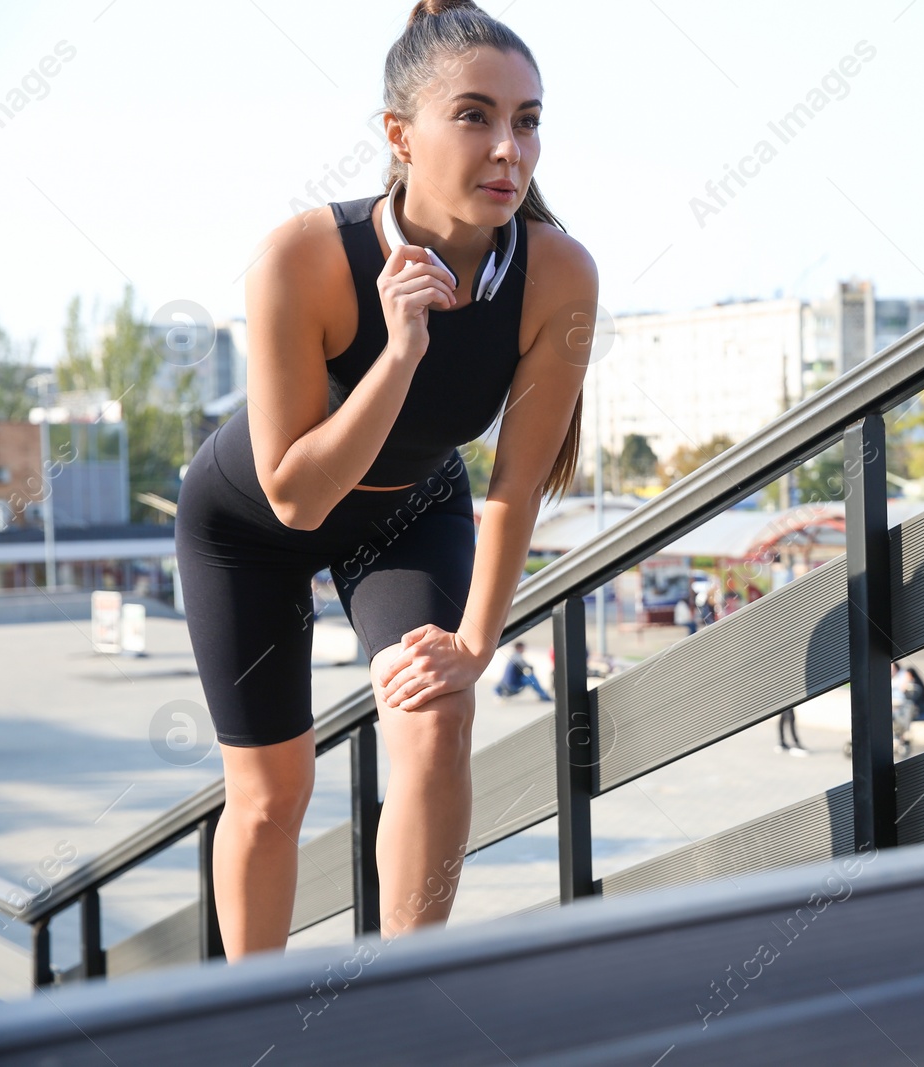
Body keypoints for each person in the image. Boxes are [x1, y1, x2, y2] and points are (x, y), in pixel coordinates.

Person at [173, 0, 598, 962]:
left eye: (527, 120)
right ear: (400, 136)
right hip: (249, 526)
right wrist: (399, 350)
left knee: (439, 710)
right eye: (476, 116)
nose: (509, 149)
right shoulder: (304, 257)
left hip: (408, 512)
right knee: (275, 793)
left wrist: (477, 644)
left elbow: (515, 484)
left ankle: (404, 991)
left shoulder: (558, 272)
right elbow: (294, 497)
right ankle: (256, 1012)